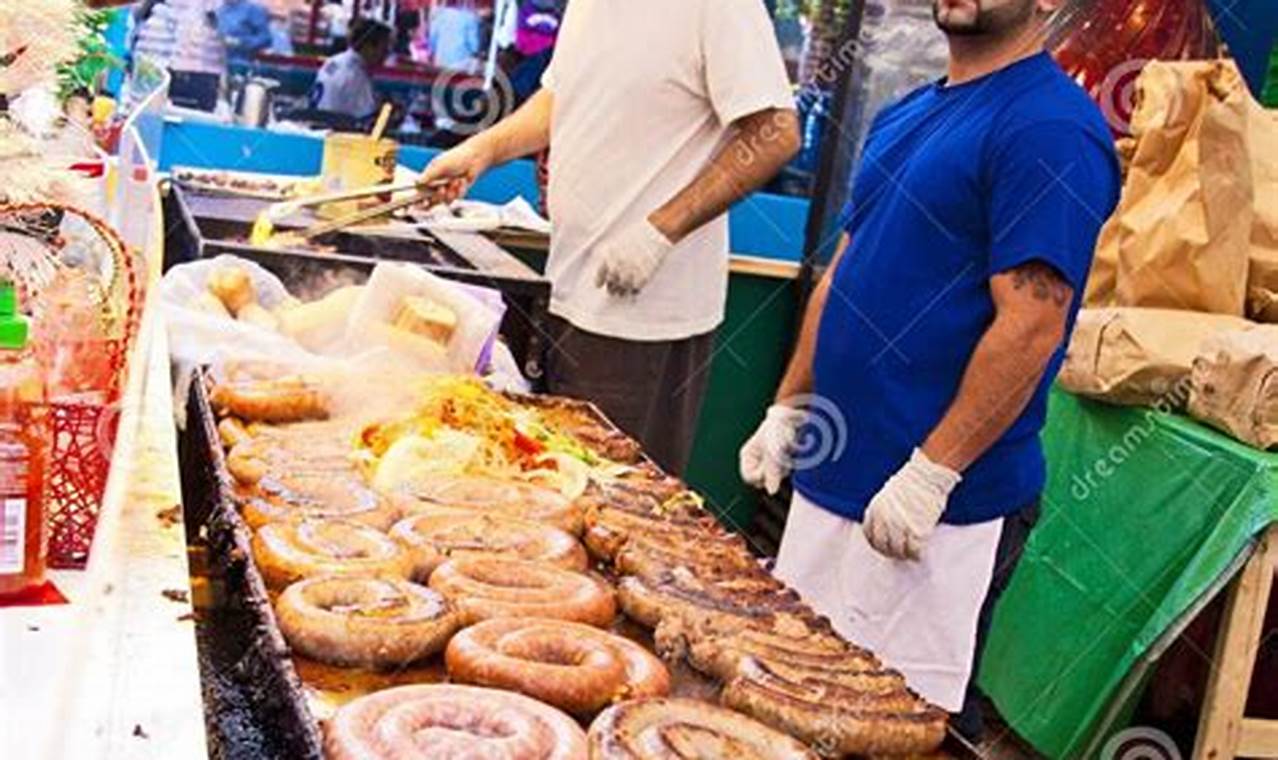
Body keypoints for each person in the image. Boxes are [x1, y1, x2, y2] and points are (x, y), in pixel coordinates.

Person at [739, 0, 1121, 741]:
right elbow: (844, 269)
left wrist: (932, 474)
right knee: (793, 705)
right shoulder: (908, 111)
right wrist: (790, 403)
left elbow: (1034, 319)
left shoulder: (1051, 129)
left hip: (937, 515)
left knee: (897, 729)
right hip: (832, 482)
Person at [418, 0, 799, 476]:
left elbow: (776, 132)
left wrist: (659, 231)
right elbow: (558, 99)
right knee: (557, 487)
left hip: (639, 316)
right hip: (565, 289)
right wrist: (481, 150)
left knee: (618, 504)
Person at [310, 18, 392, 120]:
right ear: (368, 46)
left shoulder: (332, 61)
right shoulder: (356, 77)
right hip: (335, 131)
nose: (386, 55)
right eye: (384, 49)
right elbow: (366, 119)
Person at [215, 0, 273, 66]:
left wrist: (240, 42)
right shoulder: (220, 11)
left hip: (241, 65)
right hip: (218, 64)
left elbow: (266, 38)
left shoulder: (252, 9)